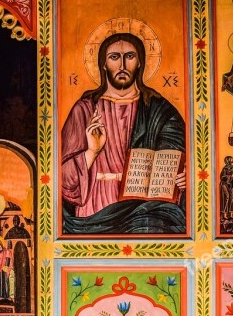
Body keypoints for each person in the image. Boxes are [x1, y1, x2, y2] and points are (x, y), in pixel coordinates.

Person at [61, 32, 186, 234]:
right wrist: (92, 152)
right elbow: (64, 181)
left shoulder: (159, 110)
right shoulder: (84, 110)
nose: (122, 66)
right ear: (103, 64)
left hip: (144, 211)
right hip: (96, 207)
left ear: (139, 63)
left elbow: (180, 157)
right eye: (114, 57)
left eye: (129, 56)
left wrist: (184, 175)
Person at [219, 156, 233, 220]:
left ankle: (231, 213)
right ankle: (225, 214)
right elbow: (222, 177)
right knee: (227, 197)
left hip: (231, 185)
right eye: (231, 160)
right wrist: (230, 176)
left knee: (232, 197)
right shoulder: (225, 168)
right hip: (224, 184)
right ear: (228, 161)